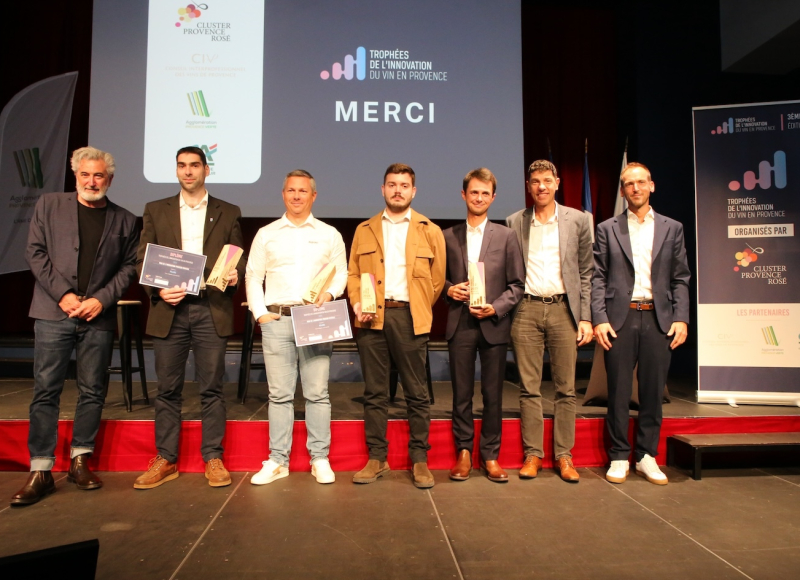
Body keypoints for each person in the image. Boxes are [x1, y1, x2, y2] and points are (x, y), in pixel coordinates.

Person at [11, 147, 138, 506]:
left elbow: (129, 267)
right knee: (46, 390)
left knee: (93, 390)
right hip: (54, 313)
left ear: (109, 179)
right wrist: (63, 294)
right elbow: (35, 253)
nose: (91, 181)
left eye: (99, 175)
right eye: (85, 174)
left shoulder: (125, 219)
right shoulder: (49, 205)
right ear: (76, 175)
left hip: (97, 316)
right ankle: (41, 470)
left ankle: (80, 460)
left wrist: (101, 300)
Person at [133, 146, 245, 490]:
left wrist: (234, 275)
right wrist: (157, 290)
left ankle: (213, 456)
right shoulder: (156, 209)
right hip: (170, 309)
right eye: (182, 165)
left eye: (195, 165)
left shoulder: (229, 211)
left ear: (206, 170)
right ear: (176, 170)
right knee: (168, 389)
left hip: (211, 307)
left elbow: (236, 257)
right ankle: (166, 458)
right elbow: (142, 259)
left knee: (212, 387)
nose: (188, 171)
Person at [245, 170, 347, 485]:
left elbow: (342, 273)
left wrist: (330, 294)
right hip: (277, 320)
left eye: (303, 191)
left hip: (315, 319)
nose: (297, 196)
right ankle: (278, 460)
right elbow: (253, 276)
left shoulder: (329, 234)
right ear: (283, 194)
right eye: (291, 190)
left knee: (317, 393)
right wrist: (260, 314)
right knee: (279, 395)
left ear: (313, 196)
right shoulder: (267, 233)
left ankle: (319, 458)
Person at [347, 163, 445, 488]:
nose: (398, 190)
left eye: (404, 185)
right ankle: (377, 458)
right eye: (392, 184)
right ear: (383, 189)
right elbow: (352, 274)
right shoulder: (365, 229)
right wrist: (357, 302)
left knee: (416, 392)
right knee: (375, 392)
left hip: (409, 317)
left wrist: (417, 305)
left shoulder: (429, 229)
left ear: (413, 191)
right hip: (371, 318)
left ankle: (419, 459)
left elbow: (437, 280)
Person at [592, 162, 690, 485]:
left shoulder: (672, 228)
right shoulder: (607, 228)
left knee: (652, 392)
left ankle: (646, 455)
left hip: (659, 319)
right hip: (619, 319)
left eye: (640, 182)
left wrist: (681, 317)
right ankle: (619, 455)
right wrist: (599, 318)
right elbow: (597, 277)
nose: (635, 188)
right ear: (622, 191)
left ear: (652, 185)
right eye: (628, 184)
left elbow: (680, 278)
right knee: (619, 392)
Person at [506, 160, 594, 483]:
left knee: (565, 389)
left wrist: (585, 317)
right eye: (535, 181)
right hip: (526, 309)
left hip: (563, 309)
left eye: (547, 180)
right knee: (529, 388)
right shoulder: (514, 221)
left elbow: (586, 272)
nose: (541, 186)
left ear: (557, 182)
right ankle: (533, 454)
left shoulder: (579, 220)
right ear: (528, 186)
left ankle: (564, 456)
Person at [444, 168, 524, 483]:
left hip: (493, 324)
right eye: (474, 192)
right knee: (461, 394)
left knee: (493, 394)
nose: (478, 198)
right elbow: (436, 280)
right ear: (464, 195)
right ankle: (464, 452)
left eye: (484, 193)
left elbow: (517, 285)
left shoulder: (506, 236)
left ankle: (490, 455)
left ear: (493, 197)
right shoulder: (447, 236)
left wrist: (497, 307)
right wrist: (449, 289)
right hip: (460, 323)